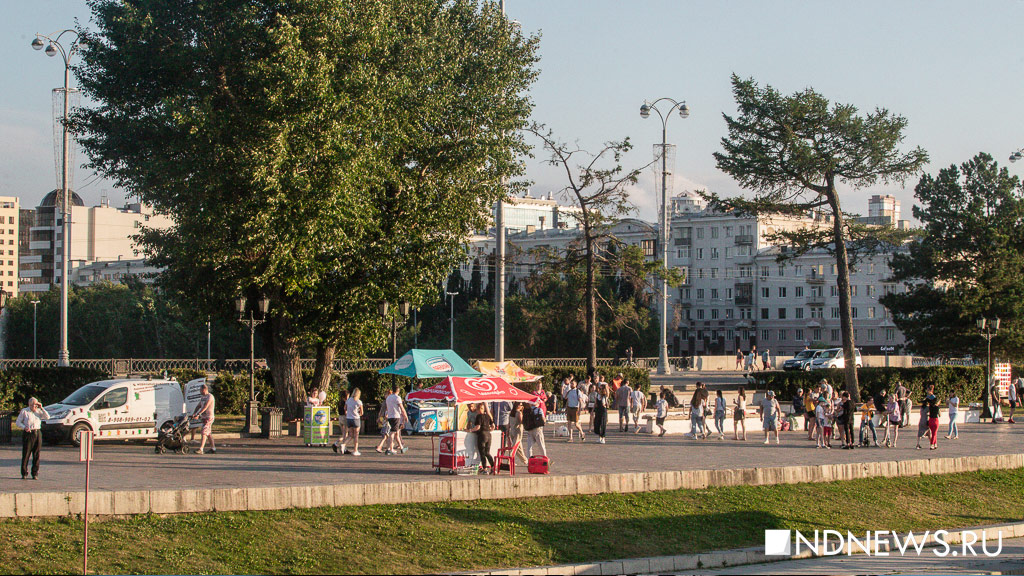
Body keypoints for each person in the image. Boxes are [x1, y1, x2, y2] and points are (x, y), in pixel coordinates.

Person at [16, 397, 49, 480]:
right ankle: (24, 473)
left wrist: (41, 408)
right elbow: (18, 422)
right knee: (26, 453)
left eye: (35, 404)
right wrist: (24, 427)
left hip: (37, 432)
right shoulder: (25, 411)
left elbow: (47, 417)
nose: (34, 406)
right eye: (32, 405)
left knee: (36, 454)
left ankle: (35, 473)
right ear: (29, 405)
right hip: (29, 433)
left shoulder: (39, 411)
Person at [190, 383, 217, 455]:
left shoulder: (210, 397)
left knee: (204, 432)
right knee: (208, 433)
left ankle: (201, 449)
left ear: (204, 389)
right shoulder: (203, 397)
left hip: (209, 417)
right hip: (204, 418)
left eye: (200, 390)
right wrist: (194, 413)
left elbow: (205, 406)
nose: (200, 391)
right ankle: (213, 448)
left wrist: (198, 414)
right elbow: (198, 406)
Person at [469, 403, 495, 473]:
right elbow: (493, 426)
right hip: (489, 435)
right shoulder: (488, 416)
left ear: (477, 409)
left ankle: (485, 468)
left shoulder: (478, 416)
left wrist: (470, 430)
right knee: (487, 452)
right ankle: (493, 467)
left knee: (482, 453)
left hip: (482, 435)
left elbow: (478, 427)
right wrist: (489, 429)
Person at [336, 388, 363, 456]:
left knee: (350, 435)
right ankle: (355, 450)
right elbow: (362, 412)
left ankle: (343, 444)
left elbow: (345, 408)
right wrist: (358, 413)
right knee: (356, 435)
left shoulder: (349, 400)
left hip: (349, 418)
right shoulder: (359, 402)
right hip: (356, 419)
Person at [383, 384, 408, 455]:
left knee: (396, 432)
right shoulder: (397, 398)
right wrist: (405, 415)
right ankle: (390, 449)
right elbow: (401, 407)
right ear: (398, 391)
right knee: (392, 432)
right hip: (396, 416)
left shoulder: (388, 398)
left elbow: (387, 408)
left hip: (390, 416)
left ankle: (402, 448)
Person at [331, 389, 350, 453]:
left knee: (343, 434)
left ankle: (337, 444)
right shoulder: (346, 403)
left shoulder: (339, 402)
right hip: (344, 418)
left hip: (340, 417)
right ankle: (342, 447)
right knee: (346, 434)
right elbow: (346, 411)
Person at [923, 385, 941, 450]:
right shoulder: (937, 407)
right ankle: (932, 444)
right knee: (934, 433)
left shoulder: (929, 400)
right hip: (935, 420)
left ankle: (935, 443)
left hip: (930, 419)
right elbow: (940, 415)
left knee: (933, 432)